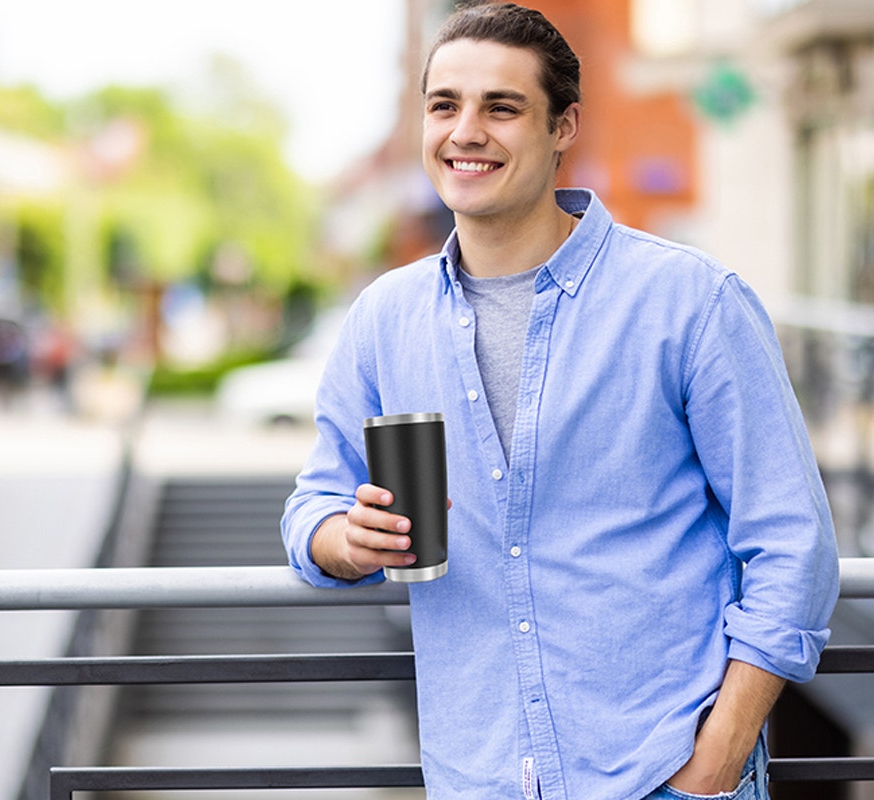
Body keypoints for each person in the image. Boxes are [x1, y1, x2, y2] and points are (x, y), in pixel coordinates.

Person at [280, 3, 840, 799]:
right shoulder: (383, 318)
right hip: (479, 778)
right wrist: (349, 540)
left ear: (564, 126)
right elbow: (313, 508)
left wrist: (720, 750)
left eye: (501, 107)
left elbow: (792, 540)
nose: (465, 132)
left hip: (665, 775)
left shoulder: (689, 301)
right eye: (445, 105)